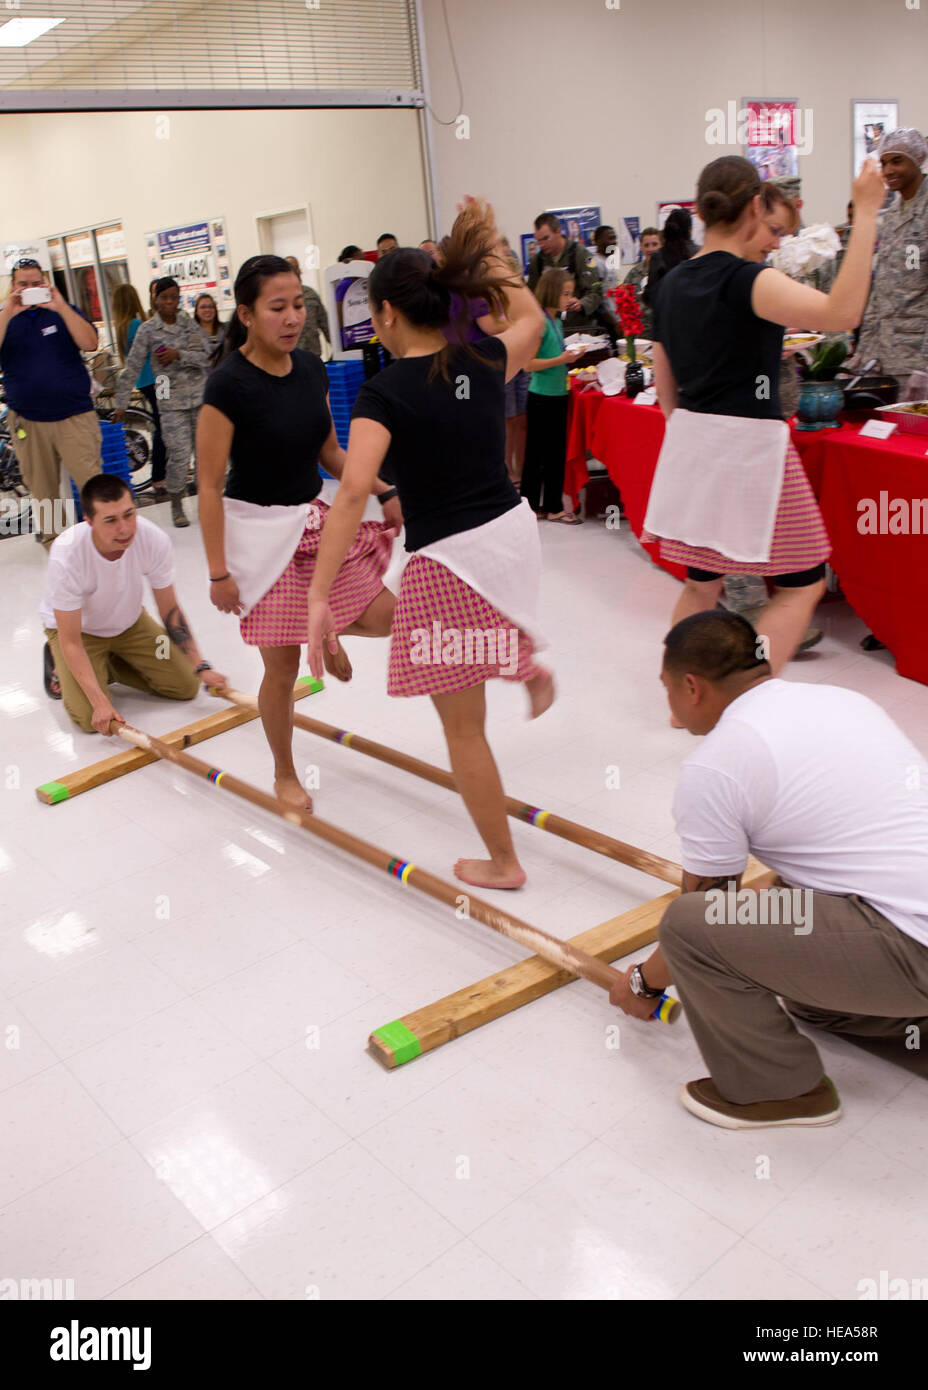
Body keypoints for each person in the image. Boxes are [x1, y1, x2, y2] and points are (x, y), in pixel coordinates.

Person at [305, 200, 555, 891]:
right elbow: (532, 317)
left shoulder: (386, 392)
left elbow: (353, 493)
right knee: (423, 629)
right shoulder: (479, 358)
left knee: (463, 729)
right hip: (512, 536)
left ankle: (504, 863)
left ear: (385, 315)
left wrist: (321, 595)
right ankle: (517, 656)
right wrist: (493, 252)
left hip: (454, 558)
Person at [610, 610, 928, 1128]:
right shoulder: (841, 699)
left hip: (913, 946)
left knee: (690, 925)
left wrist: (644, 985)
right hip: (909, 919)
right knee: (805, 992)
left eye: (666, 688)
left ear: (692, 686)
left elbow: (709, 912)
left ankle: (780, 1090)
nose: (667, 701)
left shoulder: (715, 766)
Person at [646, 154, 884, 675]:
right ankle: (742, 690)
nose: (775, 240)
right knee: (804, 582)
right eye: (771, 226)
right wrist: (866, 212)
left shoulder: (669, 285)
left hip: (693, 446)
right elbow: (843, 314)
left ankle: (679, 690)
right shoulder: (747, 281)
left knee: (701, 582)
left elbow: (666, 386)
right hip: (751, 449)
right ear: (756, 204)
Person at [197, 255, 400, 812]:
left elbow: (330, 451)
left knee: (389, 615)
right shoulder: (226, 386)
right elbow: (209, 487)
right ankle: (285, 771)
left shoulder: (310, 369)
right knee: (282, 669)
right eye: (276, 308)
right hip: (257, 535)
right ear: (246, 314)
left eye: (297, 306)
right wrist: (217, 572)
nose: (291, 318)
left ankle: (326, 630)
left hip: (309, 520)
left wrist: (383, 490)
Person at [41, 473, 226, 732]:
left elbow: (170, 609)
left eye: (129, 514)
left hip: (130, 623)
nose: (125, 528)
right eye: (111, 520)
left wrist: (200, 665)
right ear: (89, 522)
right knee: (91, 719)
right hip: (79, 634)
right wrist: (100, 701)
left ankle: (108, 665)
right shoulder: (67, 554)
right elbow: (70, 641)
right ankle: (56, 659)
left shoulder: (153, 538)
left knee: (186, 686)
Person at [0, 257, 102, 548]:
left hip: (75, 418)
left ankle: (103, 551)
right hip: (29, 422)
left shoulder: (63, 311)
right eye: (23, 284)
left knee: (93, 488)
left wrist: (59, 306)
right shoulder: (5, 317)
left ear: (45, 282)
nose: (30, 289)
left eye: (36, 283)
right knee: (46, 499)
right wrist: (8, 312)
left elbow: (90, 342)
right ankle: (59, 556)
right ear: (13, 286)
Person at [112, 277, 208, 529]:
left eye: (173, 297)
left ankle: (206, 500)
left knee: (204, 453)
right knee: (178, 453)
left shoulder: (188, 323)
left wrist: (180, 355)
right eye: (164, 297)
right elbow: (131, 367)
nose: (169, 302)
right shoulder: (147, 329)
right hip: (166, 391)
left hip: (198, 395)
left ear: (178, 299)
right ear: (155, 299)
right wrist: (121, 403)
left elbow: (206, 355)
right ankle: (177, 500)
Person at [852, 128, 928, 397]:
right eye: (883, 162)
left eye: (897, 161)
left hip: (917, 355)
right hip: (885, 356)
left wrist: (925, 366)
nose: (888, 170)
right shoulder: (892, 214)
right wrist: (864, 350)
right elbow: (880, 286)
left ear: (918, 159)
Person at [520, 268, 586, 522]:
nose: (568, 298)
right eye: (564, 293)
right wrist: (562, 358)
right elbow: (528, 364)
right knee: (538, 454)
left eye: (570, 293)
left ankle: (550, 504)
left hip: (558, 393)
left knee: (555, 454)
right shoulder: (540, 323)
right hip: (542, 396)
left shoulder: (556, 321)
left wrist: (568, 359)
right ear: (551, 292)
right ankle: (535, 505)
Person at [111, 283, 168, 500]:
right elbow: (158, 349)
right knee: (165, 426)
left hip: (144, 380)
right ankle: (160, 475)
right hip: (159, 378)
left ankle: (162, 472)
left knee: (161, 423)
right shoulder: (137, 324)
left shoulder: (123, 327)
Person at [527, 213, 603, 332]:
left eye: (546, 238)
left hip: (579, 328)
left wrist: (581, 303)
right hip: (550, 329)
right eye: (538, 240)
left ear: (558, 232)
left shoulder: (581, 254)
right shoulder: (537, 262)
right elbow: (532, 297)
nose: (541, 245)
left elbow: (596, 291)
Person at [643, 209, 697, 309]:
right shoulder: (701, 252)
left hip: (669, 316)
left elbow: (650, 296)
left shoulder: (659, 256)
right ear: (690, 230)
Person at [284, 256, 330, 357]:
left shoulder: (310, 294)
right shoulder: (280, 298)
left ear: (299, 270)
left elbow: (325, 324)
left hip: (313, 354)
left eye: (295, 267)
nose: (293, 271)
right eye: (289, 268)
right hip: (291, 357)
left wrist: (336, 348)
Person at [622, 226, 662, 338]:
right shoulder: (634, 273)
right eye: (646, 245)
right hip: (640, 335)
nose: (650, 249)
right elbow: (625, 304)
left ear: (661, 245)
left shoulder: (668, 272)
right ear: (641, 247)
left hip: (662, 333)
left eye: (655, 244)